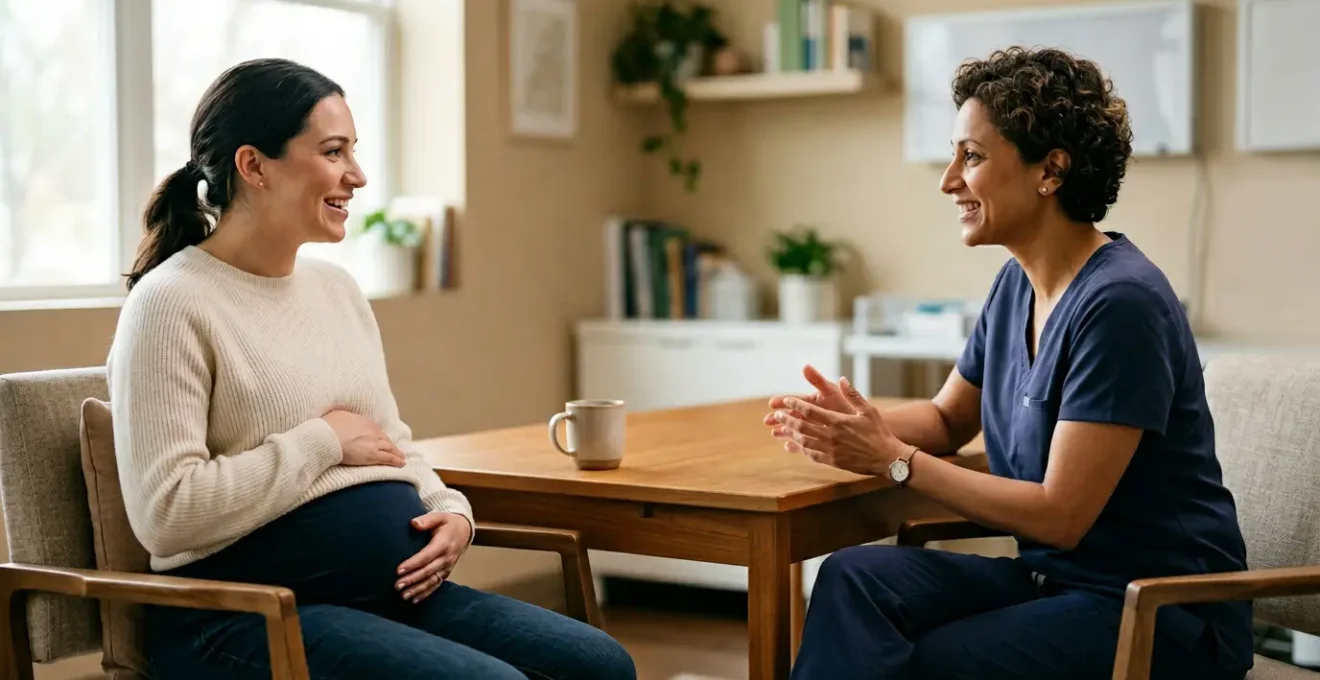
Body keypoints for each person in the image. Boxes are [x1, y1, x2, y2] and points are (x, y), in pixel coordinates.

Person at [107, 57, 636, 680]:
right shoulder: (170, 304)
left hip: (387, 596)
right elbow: (167, 514)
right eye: (333, 152)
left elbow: (391, 442)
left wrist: (451, 510)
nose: (356, 175)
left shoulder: (337, 290)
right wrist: (322, 441)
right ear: (253, 166)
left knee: (601, 666)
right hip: (242, 614)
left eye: (353, 151)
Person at [765, 47, 1253, 680]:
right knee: (855, 576)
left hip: (1161, 613)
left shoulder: (1121, 304)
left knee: (928, 661)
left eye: (971, 156)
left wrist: (891, 458)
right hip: (1058, 582)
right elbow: (947, 420)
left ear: (1050, 170)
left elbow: (1060, 515)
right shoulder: (1014, 286)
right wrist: (841, 428)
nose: (949, 180)